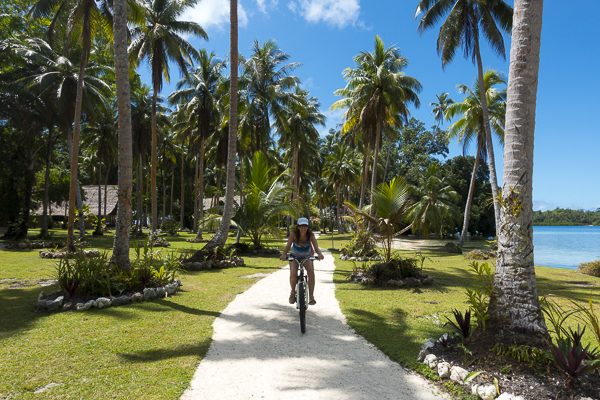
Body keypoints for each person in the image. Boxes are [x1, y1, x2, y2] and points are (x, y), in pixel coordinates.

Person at [280, 217, 324, 305]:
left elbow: (316, 247)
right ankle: (293, 292)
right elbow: (288, 246)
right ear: (298, 227)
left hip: (307, 257)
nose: (303, 228)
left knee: (311, 272)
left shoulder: (310, 235)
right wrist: (284, 254)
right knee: (293, 273)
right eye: (301, 226)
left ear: (308, 227)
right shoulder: (293, 234)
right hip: (294, 257)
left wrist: (319, 254)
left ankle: (311, 296)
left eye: (305, 226)